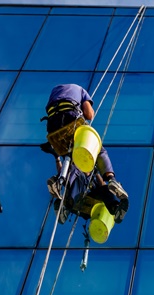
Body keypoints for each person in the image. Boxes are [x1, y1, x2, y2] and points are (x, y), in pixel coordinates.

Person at [42, 83, 129, 223]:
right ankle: (111, 179)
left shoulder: (55, 89)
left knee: (71, 158)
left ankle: (59, 181)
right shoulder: (82, 91)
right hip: (71, 118)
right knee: (98, 149)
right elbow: (89, 114)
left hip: (53, 126)